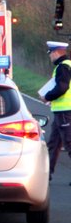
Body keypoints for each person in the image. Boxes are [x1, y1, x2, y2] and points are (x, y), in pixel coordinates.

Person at [42, 40, 71, 182]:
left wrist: (47, 96)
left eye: (50, 54)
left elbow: (62, 87)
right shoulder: (67, 66)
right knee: (53, 144)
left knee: (69, 143)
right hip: (61, 112)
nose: (50, 57)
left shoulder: (63, 67)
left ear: (57, 53)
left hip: (65, 111)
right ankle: (45, 174)